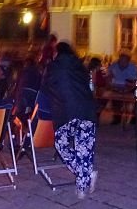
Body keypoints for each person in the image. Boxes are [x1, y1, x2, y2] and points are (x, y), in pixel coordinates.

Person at [41, 42, 98, 199]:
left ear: (57, 53)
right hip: (86, 111)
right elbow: (89, 87)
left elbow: (45, 88)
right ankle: (82, 186)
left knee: (62, 145)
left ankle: (86, 176)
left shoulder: (53, 67)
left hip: (66, 113)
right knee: (83, 150)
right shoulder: (80, 67)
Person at [108, 52, 137, 124]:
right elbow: (109, 75)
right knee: (115, 101)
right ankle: (117, 118)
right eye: (121, 60)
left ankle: (134, 118)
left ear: (128, 61)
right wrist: (110, 83)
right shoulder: (114, 65)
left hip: (129, 87)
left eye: (124, 61)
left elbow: (135, 80)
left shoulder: (132, 67)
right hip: (116, 86)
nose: (122, 62)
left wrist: (130, 86)